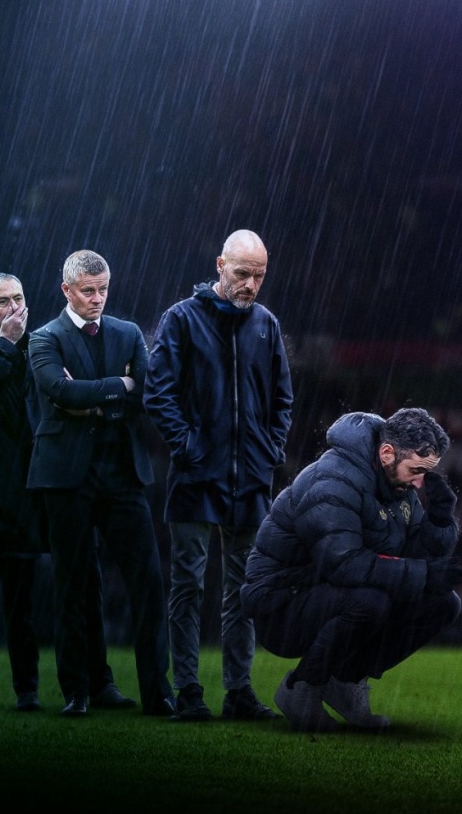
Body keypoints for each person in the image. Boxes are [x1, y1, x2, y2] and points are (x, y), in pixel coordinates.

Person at [0, 272, 136, 712]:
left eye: (18, 298)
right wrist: (5, 344)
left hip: (59, 480)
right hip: (7, 494)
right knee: (18, 598)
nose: (13, 308)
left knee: (84, 583)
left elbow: (73, 395)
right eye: (2, 302)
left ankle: (98, 683)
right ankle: (28, 690)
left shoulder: (46, 344)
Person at [143, 228, 293, 722]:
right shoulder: (181, 319)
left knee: (243, 589)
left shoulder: (266, 324)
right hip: (196, 475)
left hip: (249, 477)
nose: (251, 284)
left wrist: (269, 451)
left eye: (259, 275)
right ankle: (188, 691)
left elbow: (283, 399)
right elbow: (157, 393)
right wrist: (189, 447)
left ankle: (238, 692)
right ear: (220, 265)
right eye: (243, 273)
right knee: (188, 585)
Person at [241, 408, 462, 732]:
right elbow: (343, 564)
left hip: (331, 590)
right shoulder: (332, 481)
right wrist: (424, 574)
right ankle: (301, 688)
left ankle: (344, 681)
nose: (420, 482)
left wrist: (441, 520)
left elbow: (416, 554)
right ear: (387, 453)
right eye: (416, 470)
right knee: (372, 601)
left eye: (426, 472)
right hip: (280, 604)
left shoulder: (397, 483)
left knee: (443, 603)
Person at [27, 250, 175, 717]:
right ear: (66, 290)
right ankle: (80, 690)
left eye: (103, 289)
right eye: (88, 290)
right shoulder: (43, 338)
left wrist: (91, 401)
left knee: (148, 581)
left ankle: (158, 693)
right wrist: (119, 387)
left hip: (121, 474)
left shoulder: (128, 333)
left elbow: (144, 393)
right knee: (74, 585)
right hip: (65, 477)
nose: (97, 298)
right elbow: (60, 391)